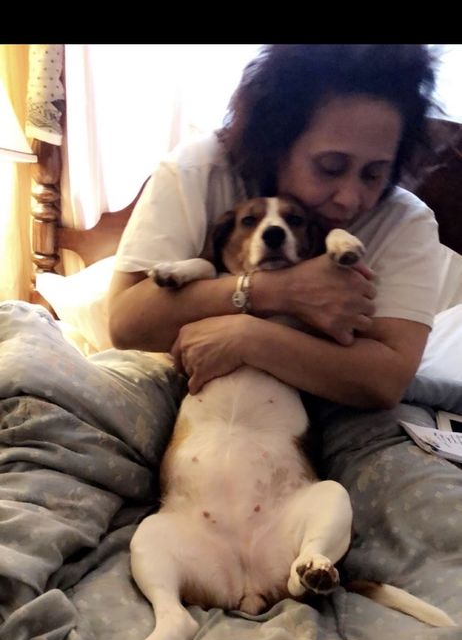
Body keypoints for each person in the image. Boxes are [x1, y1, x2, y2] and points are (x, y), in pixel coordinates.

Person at [108, 44, 442, 409]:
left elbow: (386, 383)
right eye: (330, 167)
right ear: (276, 145)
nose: (349, 199)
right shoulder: (196, 171)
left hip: (328, 409)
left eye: (374, 174)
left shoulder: (406, 222)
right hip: (174, 384)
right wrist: (277, 290)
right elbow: (126, 325)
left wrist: (248, 337)